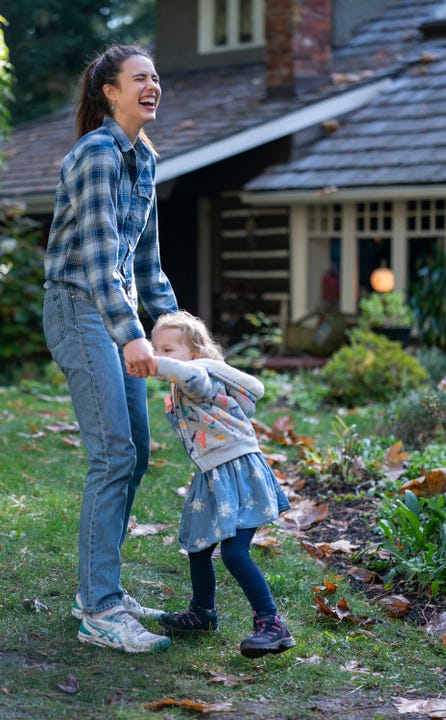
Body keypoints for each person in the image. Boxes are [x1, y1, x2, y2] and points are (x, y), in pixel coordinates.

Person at [42, 44, 178, 653]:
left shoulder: (144, 159)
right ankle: (98, 607)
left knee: (138, 453)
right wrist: (132, 335)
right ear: (110, 93)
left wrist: (182, 332)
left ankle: (103, 590)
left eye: (155, 78)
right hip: (77, 308)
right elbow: (100, 261)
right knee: (113, 455)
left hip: (108, 311)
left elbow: (146, 268)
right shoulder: (97, 153)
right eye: (139, 79)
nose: (152, 86)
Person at [151, 310, 295, 658]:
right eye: (155, 349)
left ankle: (272, 624)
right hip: (212, 473)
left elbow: (193, 380)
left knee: (233, 552)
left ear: (195, 354)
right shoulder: (181, 381)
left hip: (238, 471)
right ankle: (202, 613)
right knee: (198, 547)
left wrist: (154, 364)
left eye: (167, 350)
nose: (159, 356)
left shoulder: (199, 375)